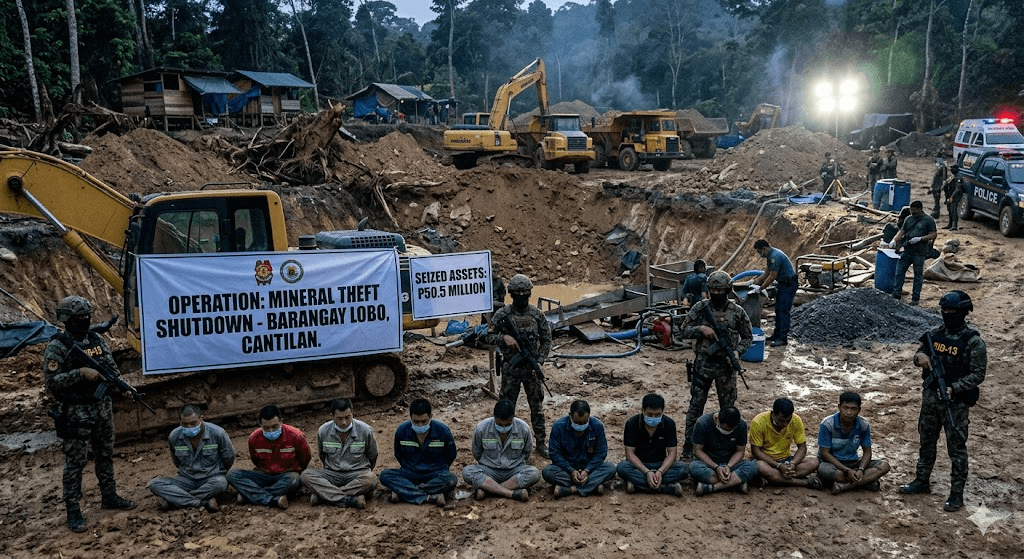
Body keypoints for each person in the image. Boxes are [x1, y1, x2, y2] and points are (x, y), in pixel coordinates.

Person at [44, 295, 136, 532]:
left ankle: (109, 495)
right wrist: (80, 374)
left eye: (87, 317)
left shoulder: (96, 339)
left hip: (101, 408)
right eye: (79, 318)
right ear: (67, 319)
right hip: (76, 412)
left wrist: (121, 387)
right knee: (75, 462)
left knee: (105, 453)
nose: (84, 321)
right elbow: (52, 382)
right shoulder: (57, 346)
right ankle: (73, 510)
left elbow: (111, 369)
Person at [899, 291, 986, 512]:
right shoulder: (935, 335)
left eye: (952, 311)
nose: (947, 314)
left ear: (963, 313)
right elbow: (920, 352)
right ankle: (922, 480)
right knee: (926, 441)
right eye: (944, 310)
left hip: (955, 403)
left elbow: (978, 374)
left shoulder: (973, 342)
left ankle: (956, 493)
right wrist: (920, 357)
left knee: (956, 448)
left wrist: (954, 387)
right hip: (930, 399)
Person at [678, 270, 753, 460]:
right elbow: (683, 329)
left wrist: (737, 352)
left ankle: (725, 449)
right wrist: (701, 329)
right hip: (703, 366)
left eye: (720, 290)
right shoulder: (700, 308)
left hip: (726, 369)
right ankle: (689, 447)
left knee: (727, 410)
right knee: (695, 408)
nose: (717, 294)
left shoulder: (737, 312)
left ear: (728, 290)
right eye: (713, 290)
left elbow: (748, 337)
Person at [485, 273, 553, 458]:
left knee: (537, 408)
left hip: (531, 369)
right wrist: (504, 338)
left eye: (525, 292)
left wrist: (539, 360)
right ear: (511, 294)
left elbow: (547, 340)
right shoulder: (503, 314)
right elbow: (487, 335)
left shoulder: (537, 315)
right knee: (506, 408)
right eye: (518, 293)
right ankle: (502, 442)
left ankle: (541, 443)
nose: (522, 296)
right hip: (511, 369)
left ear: (530, 293)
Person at [148, 404, 235, 512]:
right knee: (155, 484)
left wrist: (217, 472)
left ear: (201, 419)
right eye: (184, 424)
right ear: (180, 422)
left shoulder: (218, 433)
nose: (189, 427)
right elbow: (176, 461)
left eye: (193, 423)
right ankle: (202, 503)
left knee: (221, 484)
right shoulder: (174, 436)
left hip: (210, 478)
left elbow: (228, 458)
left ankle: (174, 500)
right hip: (186, 479)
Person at [227, 405, 311, 509]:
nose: (271, 431)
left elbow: (305, 459)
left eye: (275, 427)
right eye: (266, 428)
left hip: (286, 476)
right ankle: (272, 499)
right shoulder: (254, 439)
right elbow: (255, 460)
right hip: (263, 475)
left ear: (281, 422)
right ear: (260, 425)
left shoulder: (296, 436)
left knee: (295, 479)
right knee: (232, 474)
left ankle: (249, 495)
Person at [301, 399, 378, 509]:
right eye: (339, 418)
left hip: (357, 474)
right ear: (332, 416)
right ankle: (350, 499)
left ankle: (324, 496)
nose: (344, 422)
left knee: (371, 479)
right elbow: (322, 455)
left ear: (352, 413)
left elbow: (373, 455)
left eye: (347, 417)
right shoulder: (323, 431)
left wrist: (364, 471)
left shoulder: (366, 430)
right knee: (306, 475)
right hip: (332, 474)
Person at [380, 398, 458, 507]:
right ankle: (429, 496)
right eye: (416, 422)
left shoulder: (443, 431)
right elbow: (398, 454)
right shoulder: (402, 431)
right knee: (385, 475)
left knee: (451, 479)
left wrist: (440, 468)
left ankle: (405, 492)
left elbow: (451, 455)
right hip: (410, 472)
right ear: (410, 417)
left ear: (430, 416)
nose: (420, 425)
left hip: (435, 473)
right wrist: (409, 468)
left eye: (424, 421)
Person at [462, 399, 541, 502]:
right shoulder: (482, 428)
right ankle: (511, 494)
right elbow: (477, 452)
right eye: (499, 424)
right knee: (467, 472)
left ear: (513, 418)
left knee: (534, 473)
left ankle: (488, 490)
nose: (503, 427)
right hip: (489, 470)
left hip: (514, 470)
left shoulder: (523, 428)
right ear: (494, 417)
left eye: (507, 424)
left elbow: (527, 452)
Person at [817, 392, 891, 494]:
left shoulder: (863, 425)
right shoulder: (827, 424)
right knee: (823, 470)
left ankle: (844, 486)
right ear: (839, 407)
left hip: (853, 462)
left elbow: (867, 452)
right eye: (845, 408)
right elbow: (825, 453)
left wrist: (861, 469)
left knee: (884, 465)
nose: (849, 412)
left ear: (859, 410)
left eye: (853, 409)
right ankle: (864, 481)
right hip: (833, 464)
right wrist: (846, 470)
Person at [616, 393, 688, 496]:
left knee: (683, 469)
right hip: (639, 465)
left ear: (663, 411)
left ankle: (639, 485)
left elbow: (672, 453)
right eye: (649, 414)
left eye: (657, 415)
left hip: (660, 464)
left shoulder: (669, 424)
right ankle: (664, 487)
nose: (653, 418)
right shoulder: (632, 423)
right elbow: (630, 454)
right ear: (642, 410)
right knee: (622, 467)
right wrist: (646, 472)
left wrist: (660, 472)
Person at [542, 400, 616, 498]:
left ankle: (571, 490)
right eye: (577, 423)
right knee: (547, 472)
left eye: (584, 422)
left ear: (589, 416)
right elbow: (554, 454)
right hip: (567, 469)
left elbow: (601, 453)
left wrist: (587, 470)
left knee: (610, 468)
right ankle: (592, 486)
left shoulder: (597, 426)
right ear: (570, 415)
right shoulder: (558, 426)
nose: (581, 426)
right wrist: (571, 470)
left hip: (590, 468)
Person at [750, 398, 820, 489]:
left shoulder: (796, 420)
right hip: (767, 461)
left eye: (788, 420)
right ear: (773, 414)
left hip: (786, 460)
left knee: (814, 462)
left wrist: (793, 464)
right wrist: (778, 466)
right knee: (760, 466)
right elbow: (756, 451)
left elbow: (802, 447)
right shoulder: (758, 421)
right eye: (781, 420)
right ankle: (803, 482)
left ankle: (775, 479)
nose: (785, 424)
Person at [690, 407, 758, 496]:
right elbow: (698, 451)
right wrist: (716, 467)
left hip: (730, 464)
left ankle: (712, 487)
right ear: (717, 418)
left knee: (752, 467)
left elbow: (740, 451)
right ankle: (736, 482)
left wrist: (729, 466)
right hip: (708, 463)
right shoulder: (702, 423)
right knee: (694, 468)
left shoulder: (741, 426)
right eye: (725, 429)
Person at [885, 200, 937, 306]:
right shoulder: (908, 219)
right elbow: (902, 231)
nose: (913, 212)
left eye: (915, 210)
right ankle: (897, 293)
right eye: (911, 210)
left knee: (918, 275)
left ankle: (915, 298)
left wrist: (920, 238)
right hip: (907, 250)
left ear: (920, 209)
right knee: (899, 272)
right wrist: (894, 240)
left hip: (919, 252)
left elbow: (933, 234)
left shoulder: (928, 220)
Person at [749, 239, 797, 346]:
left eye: (759, 252)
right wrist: (756, 281)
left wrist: (761, 288)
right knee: (778, 309)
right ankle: (776, 335)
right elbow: (767, 272)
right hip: (783, 284)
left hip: (789, 284)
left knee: (783, 310)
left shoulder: (775, 256)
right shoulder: (770, 256)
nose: (760, 254)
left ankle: (782, 338)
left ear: (764, 248)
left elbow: (772, 276)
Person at [943, 165, 963, 230]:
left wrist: (952, 197)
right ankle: (950, 224)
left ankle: (954, 225)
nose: (951, 169)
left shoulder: (959, 178)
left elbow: (958, 188)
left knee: (953, 210)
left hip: (955, 196)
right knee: (949, 209)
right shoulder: (951, 177)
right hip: (949, 195)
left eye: (953, 168)